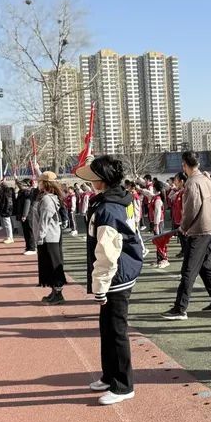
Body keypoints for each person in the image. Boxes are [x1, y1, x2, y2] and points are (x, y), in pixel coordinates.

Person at [76, 156, 145, 405]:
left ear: (101, 180)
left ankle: (123, 385)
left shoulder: (108, 208)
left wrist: (101, 286)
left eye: (93, 177)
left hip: (117, 273)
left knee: (116, 331)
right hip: (121, 269)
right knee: (106, 327)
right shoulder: (118, 198)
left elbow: (107, 252)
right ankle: (109, 375)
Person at [160, 152, 211, 320]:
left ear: (184, 165)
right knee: (205, 268)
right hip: (210, 227)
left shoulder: (192, 182)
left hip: (198, 230)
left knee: (188, 271)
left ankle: (180, 308)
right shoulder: (206, 179)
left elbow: (191, 209)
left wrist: (183, 227)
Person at [34, 172, 67, 305]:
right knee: (48, 265)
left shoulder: (48, 199)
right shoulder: (46, 197)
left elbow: (44, 220)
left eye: (40, 181)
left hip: (49, 236)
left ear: (45, 183)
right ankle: (54, 291)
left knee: (53, 265)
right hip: (48, 236)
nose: (38, 183)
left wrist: (40, 236)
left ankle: (58, 293)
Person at [17, 179, 37, 255]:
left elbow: (27, 203)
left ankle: (32, 248)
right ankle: (28, 247)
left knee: (30, 231)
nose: (21, 186)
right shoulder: (23, 192)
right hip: (23, 214)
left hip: (29, 214)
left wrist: (25, 215)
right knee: (25, 232)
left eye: (23, 185)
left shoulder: (31, 192)